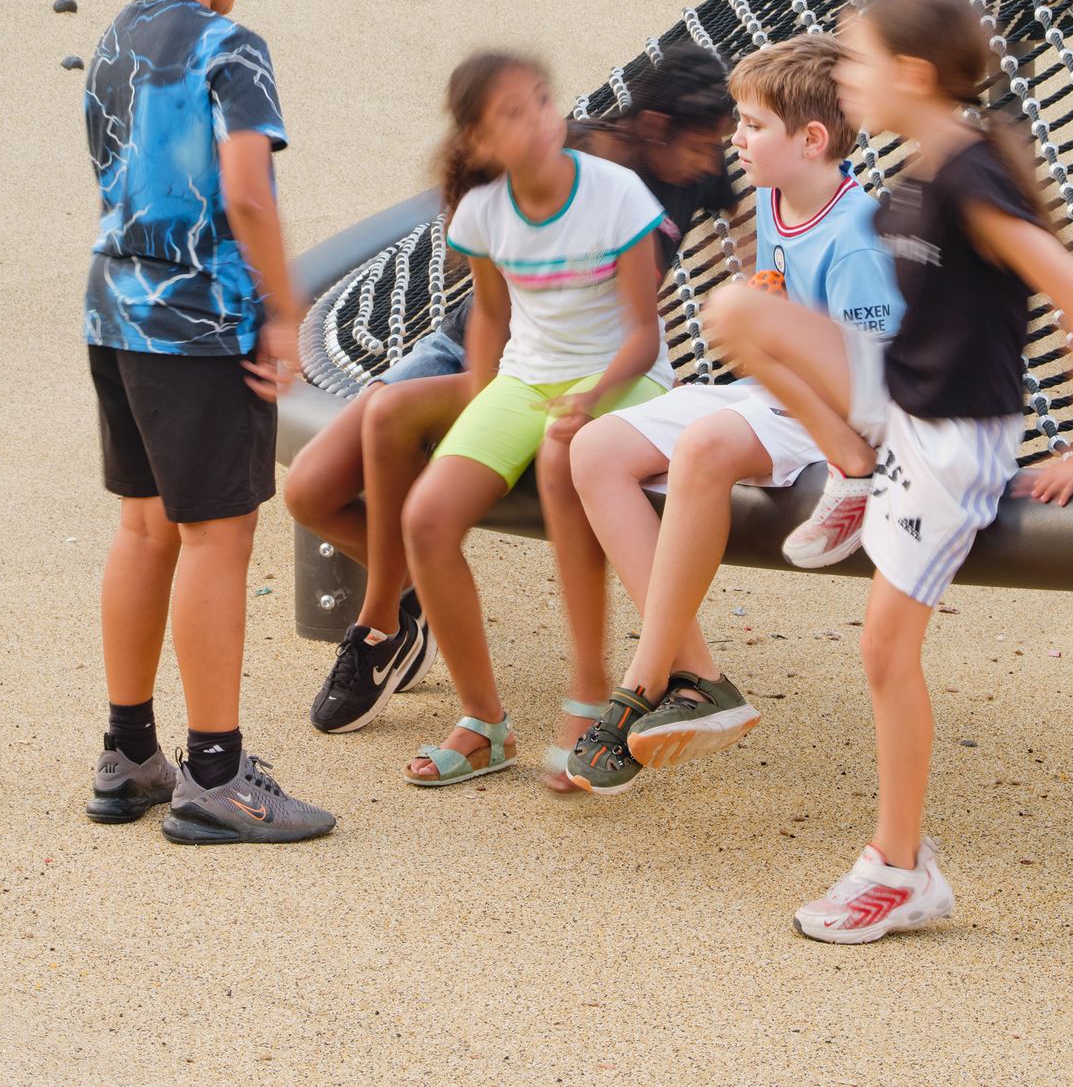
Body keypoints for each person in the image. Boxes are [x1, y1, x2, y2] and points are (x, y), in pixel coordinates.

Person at [704, 0, 1073, 941]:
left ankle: (900, 869)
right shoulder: (918, 180)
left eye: (857, 60)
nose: (844, 76)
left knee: (885, 651)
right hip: (897, 402)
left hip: (952, 439)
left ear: (914, 75)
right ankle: (854, 473)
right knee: (736, 311)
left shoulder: (972, 177)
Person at [284, 45, 736, 739]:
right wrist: (488, 393)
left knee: (530, 451)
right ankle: (403, 614)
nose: (712, 161)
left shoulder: (663, 181)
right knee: (317, 486)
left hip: (583, 367)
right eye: (703, 146)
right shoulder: (560, 161)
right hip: (486, 350)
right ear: (655, 128)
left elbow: (725, 259)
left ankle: (387, 629)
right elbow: (490, 310)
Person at [565, 33, 902, 794]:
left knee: (708, 443)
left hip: (833, 414)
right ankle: (701, 677)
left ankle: (643, 679)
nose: (736, 140)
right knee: (595, 450)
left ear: (810, 140)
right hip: (773, 395)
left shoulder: (858, 239)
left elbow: (873, 383)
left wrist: (775, 344)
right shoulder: (778, 198)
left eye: (752, 126)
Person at [83, 0, 333, 845]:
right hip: (200, 322)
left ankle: (128, 752)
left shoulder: (113, 38)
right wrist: (282, 310)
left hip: (115, 309)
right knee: (217, 537)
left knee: (144, 528)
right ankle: (217, 774)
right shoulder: (231, 45)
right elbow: (246, 193)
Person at [397, 53, 676, 791]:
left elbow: (643, 334)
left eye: (544, 101)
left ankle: (589, 696)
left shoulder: (616, 192)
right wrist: (479, 405)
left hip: (625, 374)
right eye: (514, 114)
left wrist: (591, 398)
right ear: (480, 143)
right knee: (425, 517)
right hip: (527, 379)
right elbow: (491, 317)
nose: (542, 120)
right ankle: (484, 723)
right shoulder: (483, 212)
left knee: (559, 458)